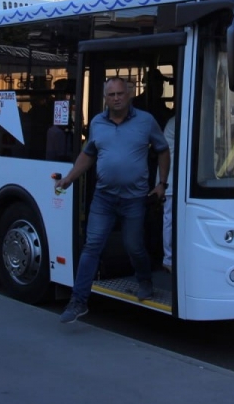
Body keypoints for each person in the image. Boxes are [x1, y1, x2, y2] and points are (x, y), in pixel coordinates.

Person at [54, 77, 170, 323]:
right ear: (105, 98)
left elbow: (163, 149)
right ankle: (78, 301)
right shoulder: (97, 122)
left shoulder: (146, 121)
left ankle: (145, 280)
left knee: (133, 246)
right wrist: (69, 179)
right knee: (92, 247)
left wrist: (162, 184)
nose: (116, 98)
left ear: (129, 95)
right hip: (104, 198)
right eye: (111, 95)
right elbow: (88, 156)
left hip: (135, 199)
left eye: (120, 93)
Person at [161, 115, 176, 273]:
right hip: (170, 178)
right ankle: (168, 258)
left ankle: (169, 257)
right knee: (169, 219)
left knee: (169, 219)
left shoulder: (173, 121)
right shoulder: (177, 121)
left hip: (173, 178)